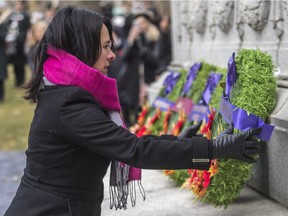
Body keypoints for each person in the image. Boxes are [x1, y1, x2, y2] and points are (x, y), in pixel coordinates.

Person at [4, 7, 263, 216]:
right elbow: (134, 150)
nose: (113, 55)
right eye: (105, 46)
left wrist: (176, 143)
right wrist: (216, 149)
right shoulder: (68, 105)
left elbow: (125, 143)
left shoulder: (66, 92)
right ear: (82, 48)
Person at [5, 0, 30, 87]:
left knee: (21, 64)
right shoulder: (11, 16)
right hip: (12, 44)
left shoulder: (26, 16)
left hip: (21, 44)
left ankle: (21, 81)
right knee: (14, 63)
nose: (18, 6)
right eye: (17, 4)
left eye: (20, 4)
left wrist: (21, 36)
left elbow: (27, 28)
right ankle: (16, 81)